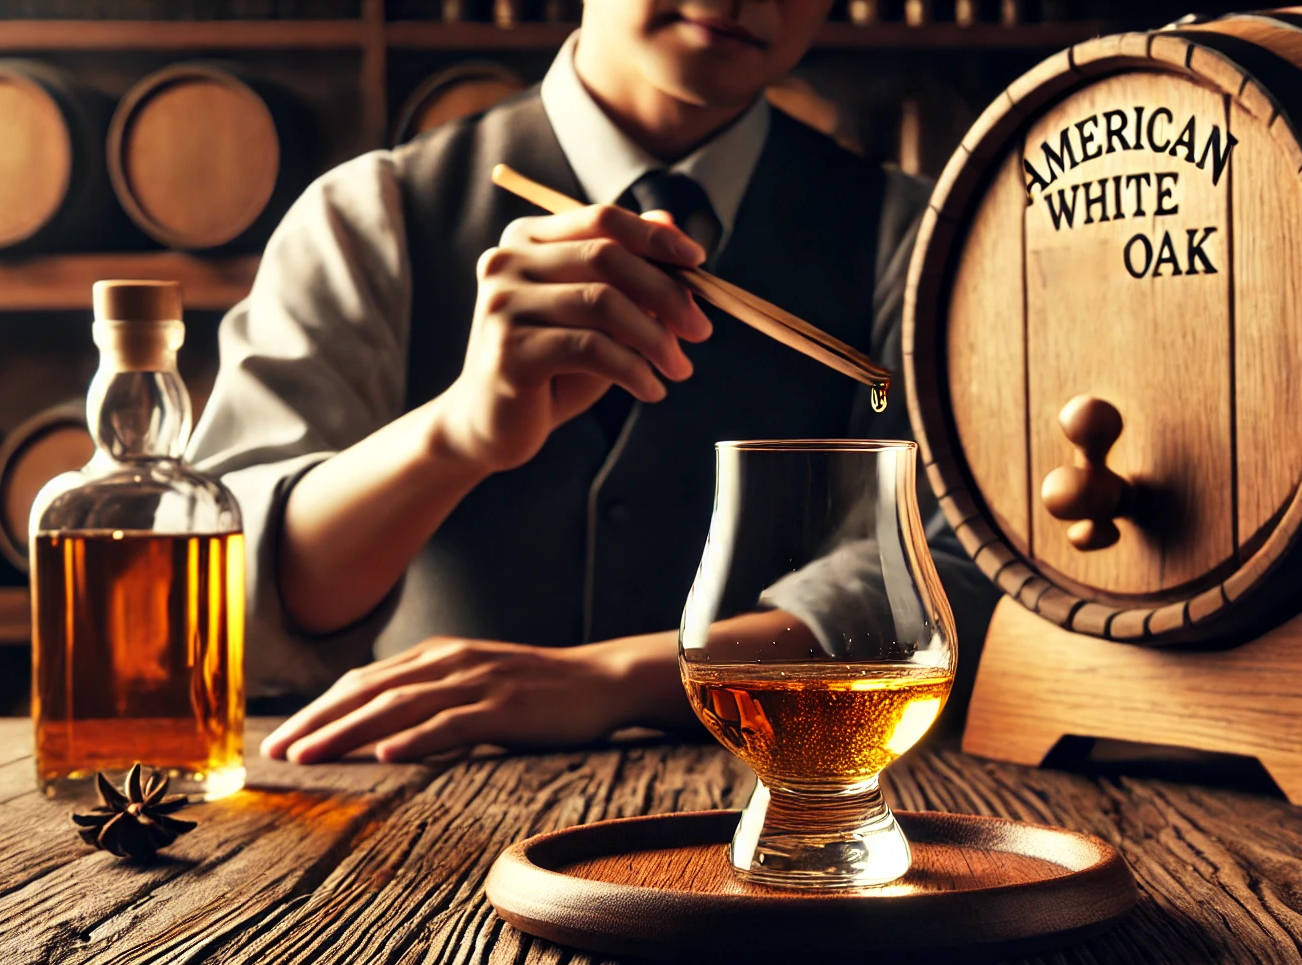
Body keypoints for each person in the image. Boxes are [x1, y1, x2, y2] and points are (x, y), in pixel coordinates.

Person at [188, 0, 999, 766]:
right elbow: (220, 614)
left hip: (786, 808)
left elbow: (956, 577)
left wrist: (618, 681)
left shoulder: (915, 241)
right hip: (412, 819)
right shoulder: (369, 215)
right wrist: (454, 435)